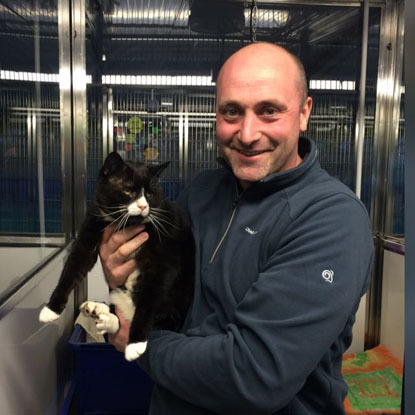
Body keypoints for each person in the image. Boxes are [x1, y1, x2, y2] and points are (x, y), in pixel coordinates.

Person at [99, 42, 373, 414]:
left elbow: (254, 376)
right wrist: (118, 274)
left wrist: (140, 341)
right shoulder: (202, 191)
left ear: (304, 113)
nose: (246, 134)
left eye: (269, 111)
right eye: (232, 111)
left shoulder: (332, 219)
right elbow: (162, 290)